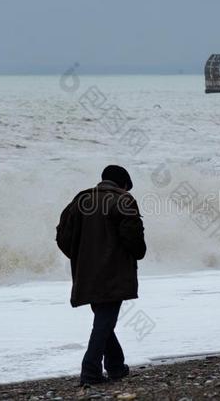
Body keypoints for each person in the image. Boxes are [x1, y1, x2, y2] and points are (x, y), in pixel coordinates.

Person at [56, 165, 146, 385]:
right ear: (123, 185)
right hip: (113, 272)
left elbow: (62, 236)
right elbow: (133, 238)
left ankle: (115, 366)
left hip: (86, 272)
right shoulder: (123, 200)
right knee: (105, 321)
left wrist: (79, 258)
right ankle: (90, 371)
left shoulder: (80, 201)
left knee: (103, 320)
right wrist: (136, 253)